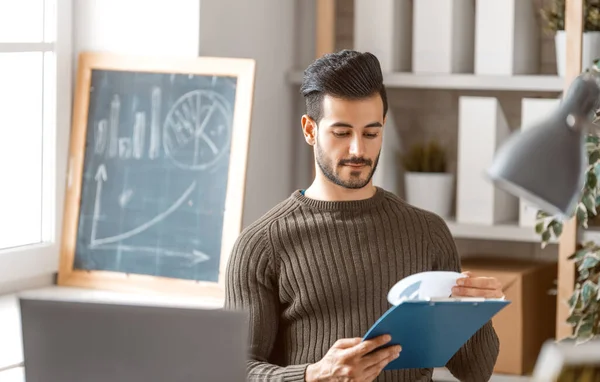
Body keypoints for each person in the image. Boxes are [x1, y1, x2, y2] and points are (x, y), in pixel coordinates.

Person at [224, 49, 503, 382]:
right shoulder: (261, 245)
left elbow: (476, 371)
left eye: (371, 133)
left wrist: (474, 311)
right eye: (342, 133)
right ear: (310, 130)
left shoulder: (428, 232)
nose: (358, 150)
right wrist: (313, 376)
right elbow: (234, 370)